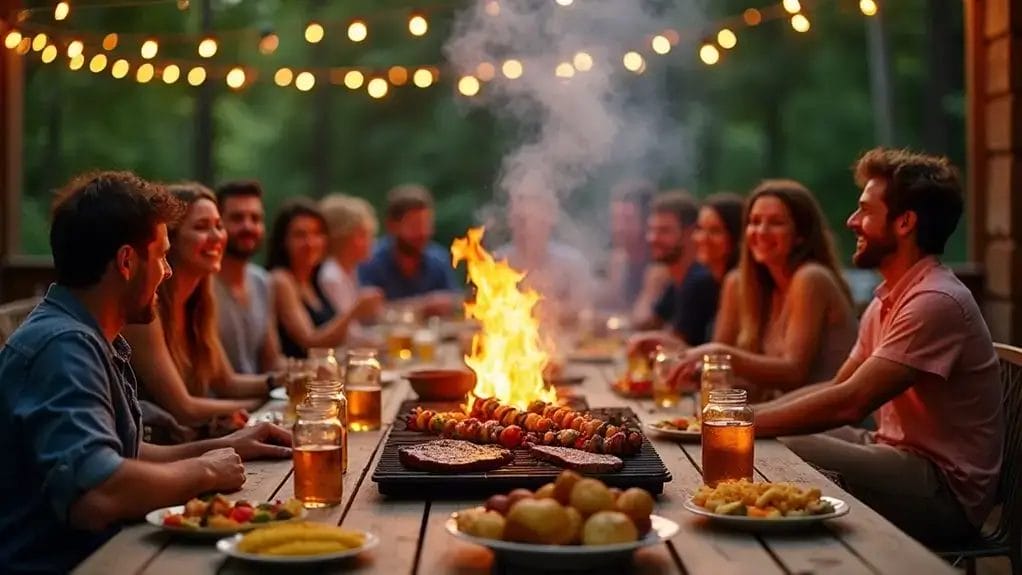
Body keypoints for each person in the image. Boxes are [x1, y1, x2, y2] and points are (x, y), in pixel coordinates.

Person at [0, 172, 291, 573]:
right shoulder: (64, 346)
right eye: (161, 256)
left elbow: (122, 453)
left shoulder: (95, 335)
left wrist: (227, 445)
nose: (168, 272)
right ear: (126, 261)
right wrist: (204, 470)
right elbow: (98, 492)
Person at [750, 149, 1003, 545]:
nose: (852, 221)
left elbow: (851, 403)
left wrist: (739, 424)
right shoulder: (891, 298)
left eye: (865, 211)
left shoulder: (934, 300)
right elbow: (837, 385)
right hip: (894, 453)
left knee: (779, 444)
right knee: (770, 437)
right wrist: (739, 416)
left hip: (944, 492)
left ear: (905, 222)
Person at [123, 183, 278, 444]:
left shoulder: (201, 302)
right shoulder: (146, 308)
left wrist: (286, 381)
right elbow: (183, 408)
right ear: (170, 238)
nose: (217, 236)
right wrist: (270, 407)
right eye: (202, 227)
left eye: (218, 225)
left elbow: (226, 382)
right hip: (160, 453)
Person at [675, 181, 857, 397]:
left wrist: (719, 354)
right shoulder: (762, 287)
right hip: (785, 422)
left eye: (776, 222)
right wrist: (687, 365)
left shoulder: (811, 278)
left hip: (828, 427)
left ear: (801, 235)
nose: (761, 231)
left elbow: (794, 372)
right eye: (754, 222)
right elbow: (753, 383)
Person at [269, 198, 382, 359]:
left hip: (324, 377)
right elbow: (309, 342)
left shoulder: (312, 280)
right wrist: (355, 312)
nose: (310, 243)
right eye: (300, 235)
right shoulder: (282, 280)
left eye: (317, 233)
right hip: (302, 380)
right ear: (283, 241)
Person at [630, 191, 719, 348]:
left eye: (664, 231)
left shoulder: (699, 280)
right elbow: (646, 324)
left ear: (690, 233)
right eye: (651, 230)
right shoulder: (677, 280)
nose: (653, 238)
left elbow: (676, 347)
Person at [213, 180, 282, 375]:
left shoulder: (262, 281)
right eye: (237, 218)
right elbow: (223, 383)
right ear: (218, 223)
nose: (248, 226)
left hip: (260, 399)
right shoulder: (201, 284)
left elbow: (272, 360)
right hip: (221, 403)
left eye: (256, 218)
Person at [358, 184, 460, 316]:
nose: (423, 232)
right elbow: (366, 312)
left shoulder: (438, 258)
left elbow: (457, 302)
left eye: (426, 224)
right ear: (392, 226)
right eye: (414, 225)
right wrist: (422, 306)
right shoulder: (370, 260)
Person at [495, 191, 595, 325]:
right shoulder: (498, 261)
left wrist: (546, 310)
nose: (526, 230)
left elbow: (584, 308)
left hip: (564, 340)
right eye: (520, 222)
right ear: (511, 224)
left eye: (533, 221)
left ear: (548, 224)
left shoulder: (572, 262)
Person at [317, 193, 384, 347]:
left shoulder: (348, 271)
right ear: (341, 236)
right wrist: (384, 342)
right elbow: (347, 337)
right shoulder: (331, 276)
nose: (371, 241)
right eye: (363, 234)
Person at [601, 180, 670, 323]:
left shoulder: (659, 267)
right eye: (615, 219)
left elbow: (641, 319)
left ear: (647, 223)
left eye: (627, 220)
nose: (618, 228)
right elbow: (610, 306)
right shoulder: (618, 261)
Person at [693, 192, 745, 284]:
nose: (703, 238)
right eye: (699, 228)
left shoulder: (742, 284)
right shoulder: (704, 283)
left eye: (715, 231)